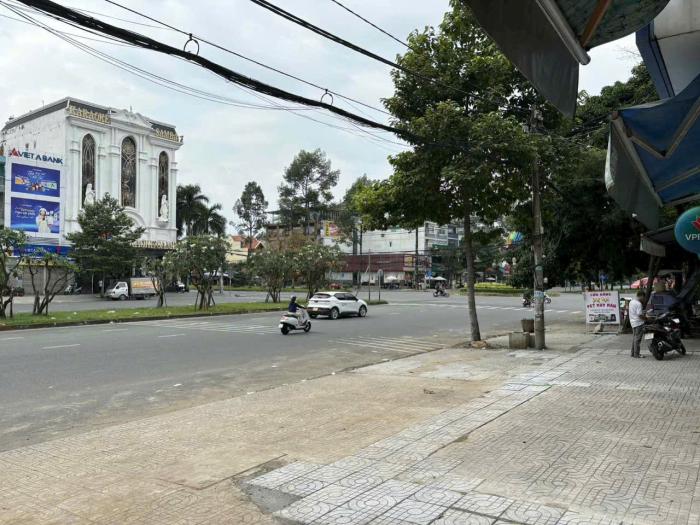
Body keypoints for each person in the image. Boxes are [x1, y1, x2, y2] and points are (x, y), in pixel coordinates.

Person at [629, 291, 647, 358]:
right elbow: (639, 315)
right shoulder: (639, 304)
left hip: (633, 322)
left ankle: (633, 353)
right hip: (639, 323)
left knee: (635, 338)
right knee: (637, 339)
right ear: (641, 296)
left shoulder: (631, 302)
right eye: (644, 297)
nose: (644, 299)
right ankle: (636, 354)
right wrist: (646, 319)